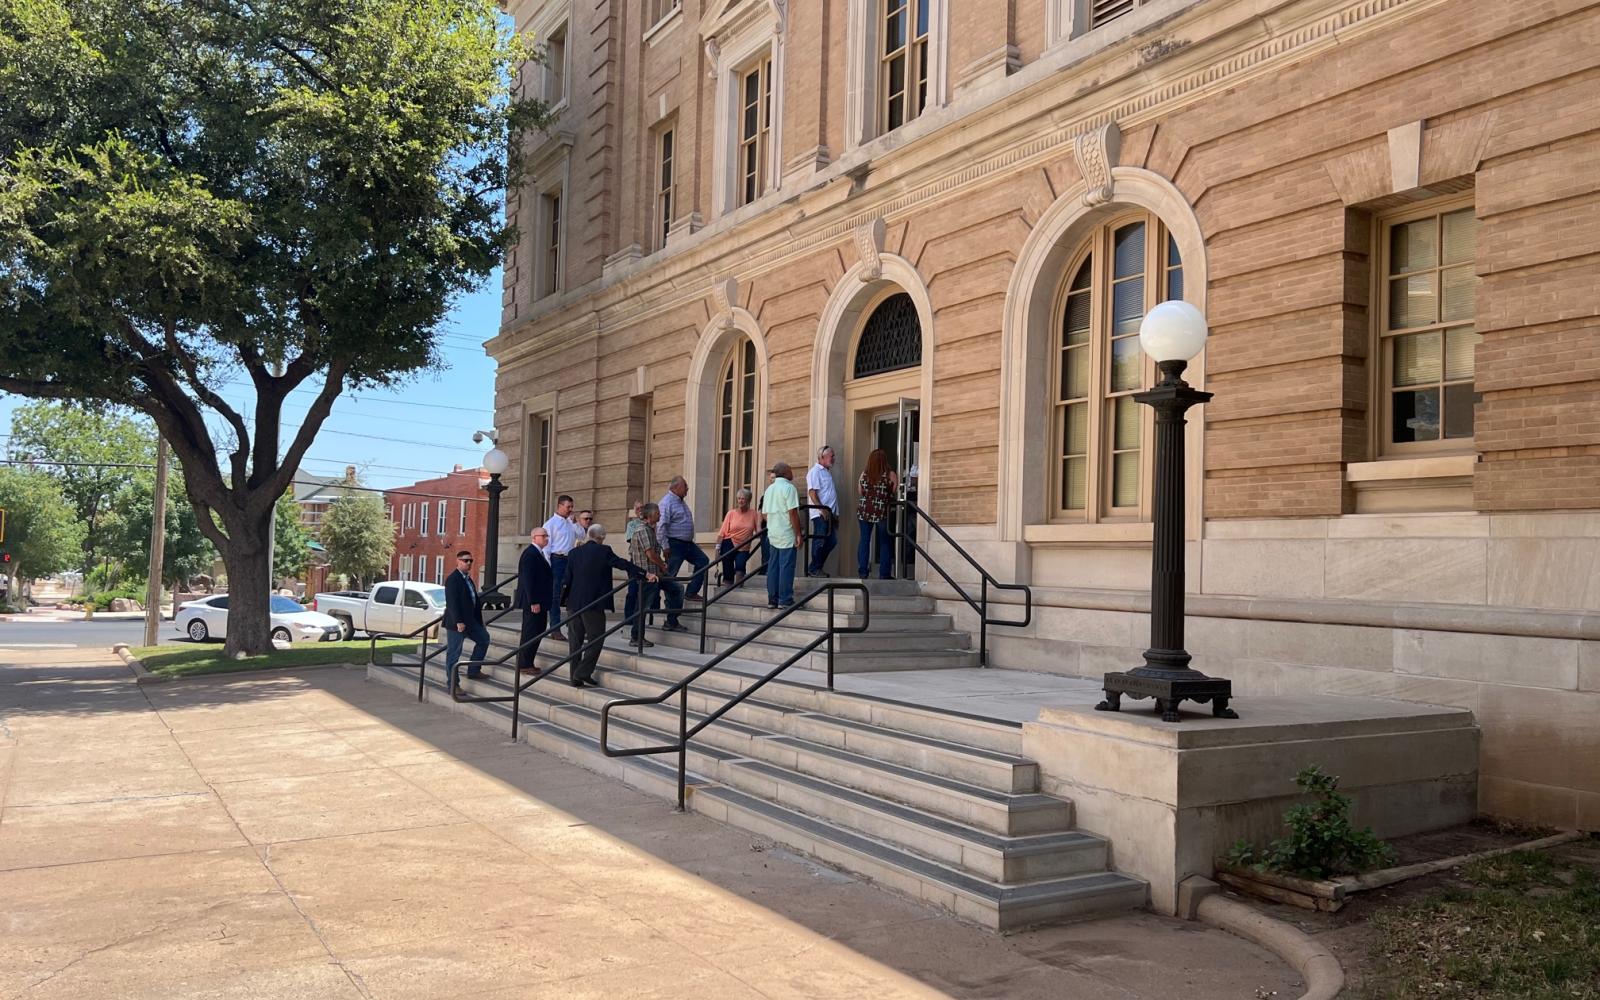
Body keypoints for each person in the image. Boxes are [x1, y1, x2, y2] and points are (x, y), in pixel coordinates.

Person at [560, 523, 653, 687]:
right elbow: (622, 564)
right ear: (601, 537)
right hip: (593, 603)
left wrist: (564, 600)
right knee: (596, 638)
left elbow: (567, 578)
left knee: (575, 642)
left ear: (589, 535)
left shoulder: (574, 553)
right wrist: (644, 574)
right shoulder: (604, 551)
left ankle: (575, 677)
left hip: (574, 603)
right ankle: (581, 672)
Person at [627, 501, 681, 645]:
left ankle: (672, 620)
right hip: (647, 576)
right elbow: (650, 554)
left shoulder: (650, 529)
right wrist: (663, 565)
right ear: (650, 515)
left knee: (676, 589)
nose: (660, 515)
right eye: (657, 513)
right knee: (642, 606)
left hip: (655, 574)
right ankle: (636, 637)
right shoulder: (642, 530)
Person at [658, 475, 710, 616]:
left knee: (703, 561)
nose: (687, 489)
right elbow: (661, 526)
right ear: (676, 487)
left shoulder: (680, 501)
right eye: (685, 486)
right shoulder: (666, 502)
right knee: (671, 580)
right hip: (674, 544)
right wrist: (665, 546)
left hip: (687, 543)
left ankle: (691, 592)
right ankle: (671, 617)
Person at [443, 550, 490, 695]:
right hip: (457, 623)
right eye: (465, 560)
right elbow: (452, 603)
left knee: (484, 639)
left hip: (472, 622)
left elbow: (474, 602)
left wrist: (479, 622)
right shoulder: (453, 579)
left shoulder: (468, 579)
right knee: (454, 654)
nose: (468, 563)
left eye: (470, 561)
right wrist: (458, 621)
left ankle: (474, 670)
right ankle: (453, 684)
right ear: (458, 561)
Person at [760, 462, 803, 609]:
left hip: (773, 533)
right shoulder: (789, 488)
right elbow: (793, 513)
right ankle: (785, 599)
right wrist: (798, 534)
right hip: (786, 533)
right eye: (790, 470)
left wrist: (774, 522)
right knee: (786, 567)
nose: (793, 473)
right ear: (785, 472)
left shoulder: (769, 490)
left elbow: (764, 514)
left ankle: (773, 599)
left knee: (773, 567)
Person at [513, 527, 553, 675]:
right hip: (534, 602)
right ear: (534, 537)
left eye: (546, 536)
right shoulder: (530, 554)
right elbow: (528, 580)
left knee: (538, 629)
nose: (546, 538)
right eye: (543, 536)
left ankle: (527, 661)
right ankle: (524, 663)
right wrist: (533, 602)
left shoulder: (540, 553)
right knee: (531, 631)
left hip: (540, 600)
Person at [542, 495, 582, 640]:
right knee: (555, 594)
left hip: (570, 559)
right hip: (557, 559)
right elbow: (546, 547)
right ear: (560, 506)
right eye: (568, 507)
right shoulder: (550, 524)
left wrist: (576, 523)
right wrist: (548, 565)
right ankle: (555, 628)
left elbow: (581, 535)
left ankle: (574, 626)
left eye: (571, 507)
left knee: (573, 593)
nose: (570, 510)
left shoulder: (570, 523)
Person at [856, 449, 899, 580]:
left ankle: (863, 571)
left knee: (864, 540)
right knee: (884, 542)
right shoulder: (890, 475)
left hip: (864, 510)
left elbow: (860, 491)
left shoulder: (864, 474)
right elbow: (894, 491)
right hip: (881, 511)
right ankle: (884, 573)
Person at [715, 488, 760, 586]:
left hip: (744, 546)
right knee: (728, 568)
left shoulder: (753, 514)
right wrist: (717, 548)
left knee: (740, 566)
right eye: (739, 498)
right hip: (729, 542)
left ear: (748, 500)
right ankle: (727, 589)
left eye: (743, 499)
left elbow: (758, 531)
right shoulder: (731, 513)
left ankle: (738, 589)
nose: (740, 501)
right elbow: (722, 532)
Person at [806, 445, 838, 577]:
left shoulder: (826, 471)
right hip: (820, 514)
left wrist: (835, 514)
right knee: (820, 541)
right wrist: (821, 509)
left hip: (830, 514)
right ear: (822, 457)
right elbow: (812, 493)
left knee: (832, 541)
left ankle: (816, 566)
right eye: (832, 456)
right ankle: (814, 568)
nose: (834, 458)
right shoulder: (815, 472)